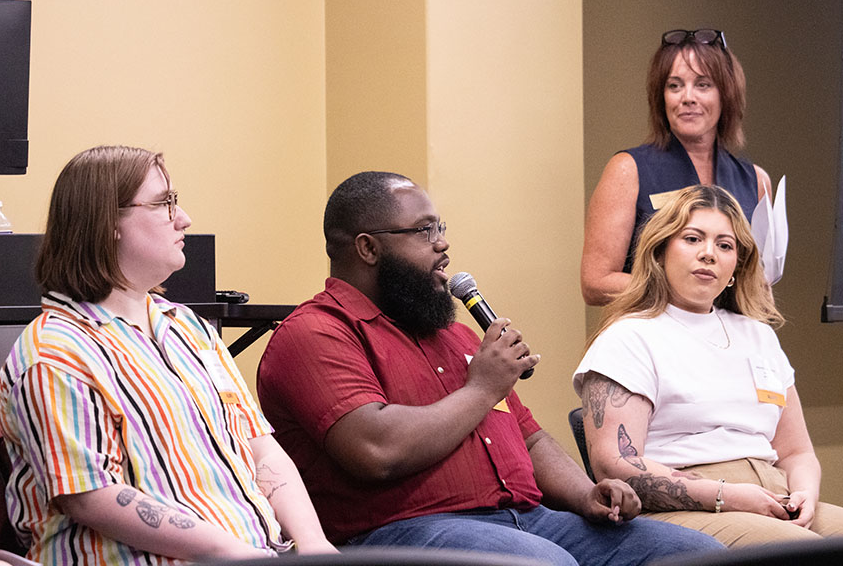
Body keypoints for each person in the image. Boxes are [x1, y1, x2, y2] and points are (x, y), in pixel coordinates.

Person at [257, 171, 724, 565]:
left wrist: (586, 494)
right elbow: (377, 450)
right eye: (423, 231)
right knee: (546, 564)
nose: (442, 244)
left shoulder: (454, 335)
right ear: (368, 248)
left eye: (439, 227)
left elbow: (530, 437)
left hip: (530, 518)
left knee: (697, 555)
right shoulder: (316, 333)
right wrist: (482, 387)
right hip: (399, 533)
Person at [0, 146, 335, 565]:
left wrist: (315, 545)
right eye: (164, 203)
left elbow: (260, 448)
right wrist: (236, 554)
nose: (184, 218)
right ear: (107, 223)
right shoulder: (54, 351)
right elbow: (91, 497)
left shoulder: (188, 328)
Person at [574, 184, 843, 547]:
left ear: (736, 266)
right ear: (660, 253)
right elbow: (616, 464)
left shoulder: (758, 335)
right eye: (692, 238)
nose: (708, 254)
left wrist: (806, 495)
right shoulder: (629, 338)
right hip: (686, 508)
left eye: (724, 245)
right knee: (803, 551)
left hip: (775, 496)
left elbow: (797, 452)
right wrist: (727, 495)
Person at [581, 28, 773, 306]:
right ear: (661, 98)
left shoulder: (756, 181)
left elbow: (757, 282)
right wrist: (687, 288)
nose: (688, 97)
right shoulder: (628, 169)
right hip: (652, 335)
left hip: (726, 338)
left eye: (703, 85)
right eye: (674, 85)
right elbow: (595, 284)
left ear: (726, 94)